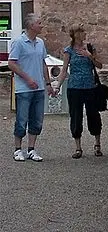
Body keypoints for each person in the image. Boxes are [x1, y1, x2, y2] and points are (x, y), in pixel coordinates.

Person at [10, 13, 56, 161]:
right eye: (39, 23)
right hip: (24, 88)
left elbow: (43, 63)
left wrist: (48, 83)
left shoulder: (40, 43)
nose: (41, 25)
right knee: (22, 119)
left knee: (37, 120)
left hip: (39, 88)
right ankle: (18, 149)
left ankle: (31, 149)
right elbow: (12, 63)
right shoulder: (19, 42)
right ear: (31, 26)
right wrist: (27, 78)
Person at [57, 26, 103, 158]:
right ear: (76, 35)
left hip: (90, 87)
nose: (85, 34)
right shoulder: (69, 50)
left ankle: (97, 144)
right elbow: (64, 70)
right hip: (74, 87)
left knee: (93, 115)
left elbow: (100, 65)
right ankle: (78, 147)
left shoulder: (89, 48)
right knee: (76, 116)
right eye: (82, 32)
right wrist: (58, 85)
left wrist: (90, 56)